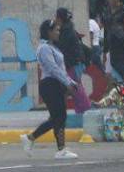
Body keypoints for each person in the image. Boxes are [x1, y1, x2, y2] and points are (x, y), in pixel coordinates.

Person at [22, 19, 79, 160]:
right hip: (49, 85)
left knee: (58, 117)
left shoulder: (52, 47)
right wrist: (68, 83)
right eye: (57, 30)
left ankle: (31, 138)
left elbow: (60, 69)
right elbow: (53, 69)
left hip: (55, 84)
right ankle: (60, 149)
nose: (59, 33)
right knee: (59, 116)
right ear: (49, 31)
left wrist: (71, 81)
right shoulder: (44, 48)